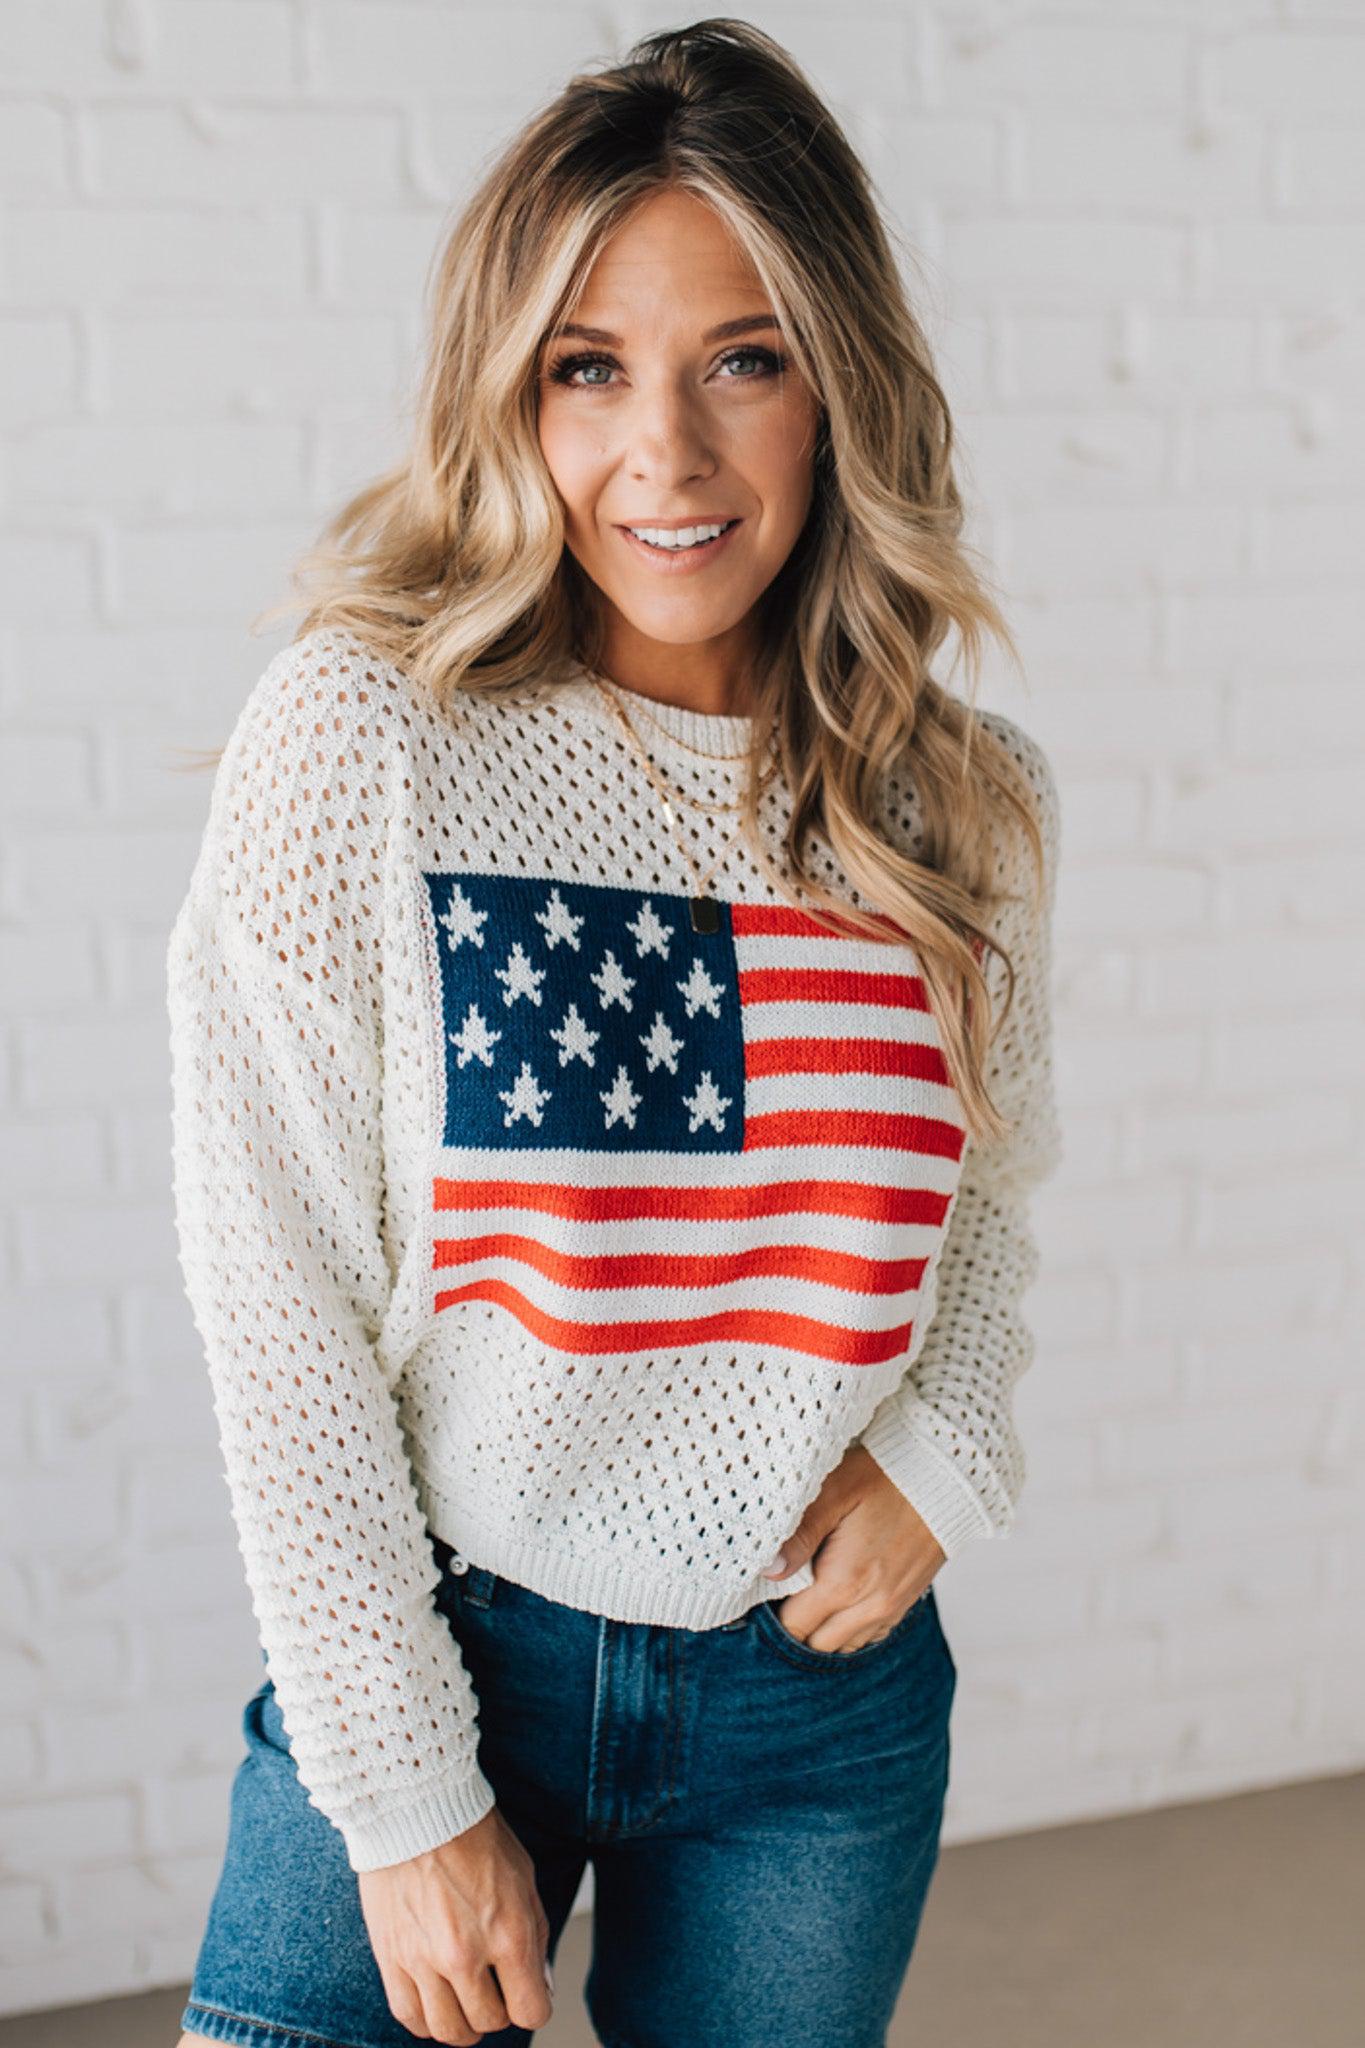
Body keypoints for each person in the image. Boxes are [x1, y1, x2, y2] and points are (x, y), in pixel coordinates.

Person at [167, 19, 1062, 2048]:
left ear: (837, 385)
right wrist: (401, 1796)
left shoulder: (960, 803)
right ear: (512, 396)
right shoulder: (367, 739)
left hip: (810, 1711)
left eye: (740, 359)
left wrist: (941, 1451)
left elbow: (991, 1198)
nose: (663, 448)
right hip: (434, 1636)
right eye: (589, 368)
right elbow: (274, 1295)